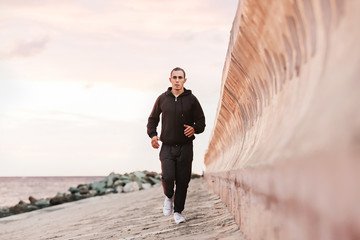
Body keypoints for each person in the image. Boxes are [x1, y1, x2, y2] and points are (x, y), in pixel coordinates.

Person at [147, 67, 206, 224]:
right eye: (175, 77)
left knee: (183, 181)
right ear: (170, 79)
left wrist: (195, 128)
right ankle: (168, 197)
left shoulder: (192, 99)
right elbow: (152, 119)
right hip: (166, 146)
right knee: (167, 177)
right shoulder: (162, 99)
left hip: (186, 147)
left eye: (180, 77)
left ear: (185, 80)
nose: (177, 80)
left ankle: (178, 212)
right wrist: (153, 135)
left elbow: (201, 122)